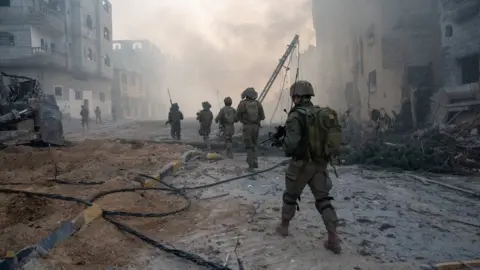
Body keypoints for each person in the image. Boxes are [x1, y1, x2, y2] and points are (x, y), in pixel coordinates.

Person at [275, 80, 342, 254]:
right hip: (320, 164)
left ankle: (284, 226)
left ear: (297, 97)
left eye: (293, 97)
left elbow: (291, 145)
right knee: (323, 200)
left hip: (301, 165)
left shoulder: (296, 116)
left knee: (290, 196)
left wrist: (282, 143)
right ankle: (333, 238)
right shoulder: (319, 113)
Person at [235, 87, 265, 171]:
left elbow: (237, 117)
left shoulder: (242, 103)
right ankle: (255, 160)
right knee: (254, 144)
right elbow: (262, 117)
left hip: (247, 127)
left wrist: (238, 119)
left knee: (249, 146)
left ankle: (251, 165)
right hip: (256, 127)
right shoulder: (258, 103)